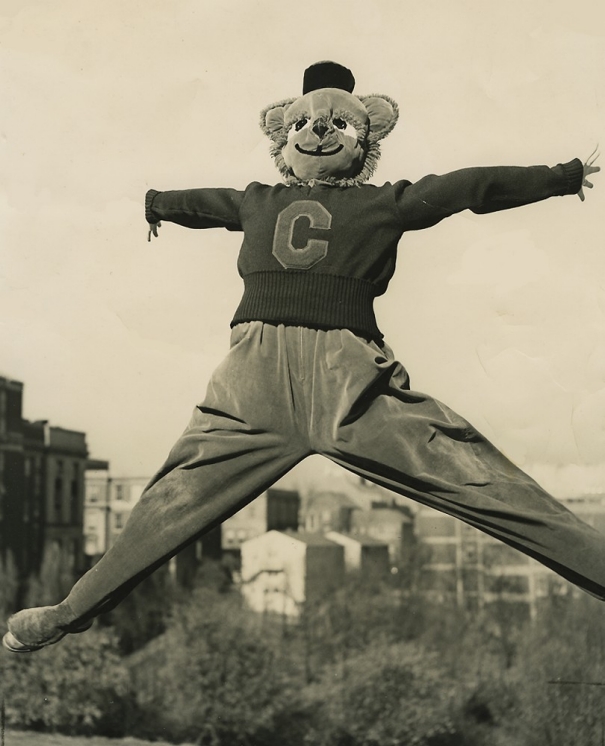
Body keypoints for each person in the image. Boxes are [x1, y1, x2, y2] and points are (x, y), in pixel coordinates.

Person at [3, 61, 602, 653]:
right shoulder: (367, 201)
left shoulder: (272, 200)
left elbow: (205, 202)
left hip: (319, 386)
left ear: (365, 139)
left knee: (168, 508)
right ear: (281, 140)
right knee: (478, 478)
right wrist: (560, 176)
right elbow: (468, 187)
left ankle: (67, 612)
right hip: (295, 389)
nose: (318, 134)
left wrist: (158, 202)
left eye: (338, 125)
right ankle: (68, 612)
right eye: (306, 127)